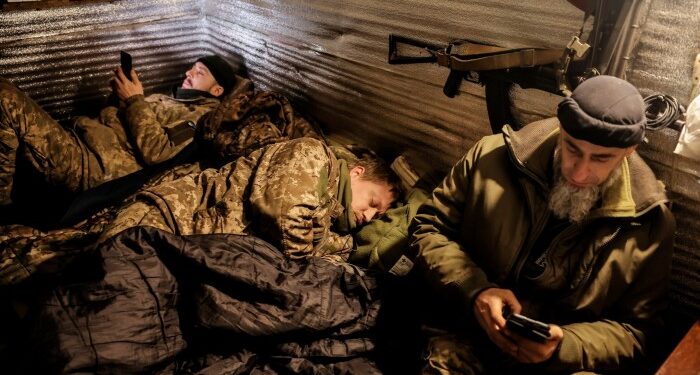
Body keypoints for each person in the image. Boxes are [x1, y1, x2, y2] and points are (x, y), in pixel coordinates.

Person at [410, 75, 675, 373]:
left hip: (553, 364)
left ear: (631, 151)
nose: (579, 172)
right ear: (561, 128)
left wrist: (565, 345)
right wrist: (475, 291)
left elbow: (637, 332)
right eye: (572, 148)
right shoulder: (492, 157)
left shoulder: (650, 222)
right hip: (465, 327)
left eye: (601, 159)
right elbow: (428, 228)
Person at [0, 55, 241, 207]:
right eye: (191, 69)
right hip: (83, 142)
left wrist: (135, 100)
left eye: (199, 72)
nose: (188, 74)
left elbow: (159, 153)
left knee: (4, 96)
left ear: (217, 91)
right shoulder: (170, 100)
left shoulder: (202, 117)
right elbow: (121, 127)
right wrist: (118, 98)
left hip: (90, 164)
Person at [101, 137, 401, 259]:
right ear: (356, 173)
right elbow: (285, 218)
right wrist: (320, 252)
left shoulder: (329, 213)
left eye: (377, 214)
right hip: (169, 220)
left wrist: (346, 245)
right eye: (374, 203)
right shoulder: (314, 154)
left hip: (188, 246)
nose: (370, 216)